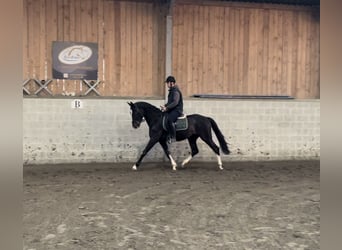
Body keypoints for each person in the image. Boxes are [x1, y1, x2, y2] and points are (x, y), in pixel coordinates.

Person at [160, 76, 183, 143]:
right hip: (172, 109)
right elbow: (170, 102)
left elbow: (175, 102)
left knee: (170, 120)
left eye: (167, 83)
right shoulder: (171, 91)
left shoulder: (175, 91)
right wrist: (164, 106)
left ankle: (173, 136)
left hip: (177, 110)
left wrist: (167, 108)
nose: (167, 84)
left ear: (171, 83)